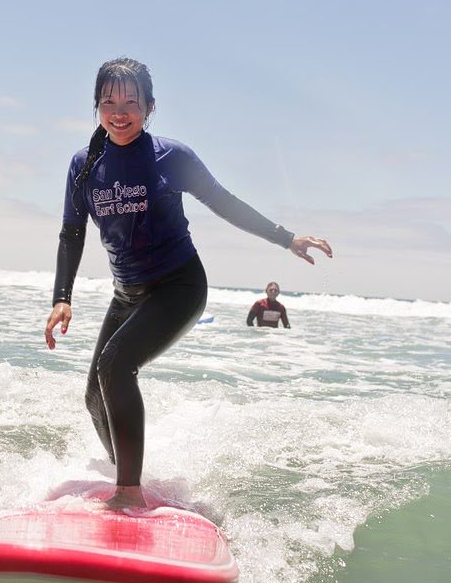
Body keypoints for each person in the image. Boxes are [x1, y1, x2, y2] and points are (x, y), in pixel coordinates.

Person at [44, 58, 332, 509]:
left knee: (115, 367)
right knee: (94, 395)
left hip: (178, 287)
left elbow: (223, 202)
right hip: (128, 293)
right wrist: (62, 298)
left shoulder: (170, 157)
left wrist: (285, 238)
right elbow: (72, 231)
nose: (119, 112)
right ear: (96, 106)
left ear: (150, 107)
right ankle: (126, 471)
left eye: (131, 103)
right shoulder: (84, 165)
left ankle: (129, 493)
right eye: (108, 102)